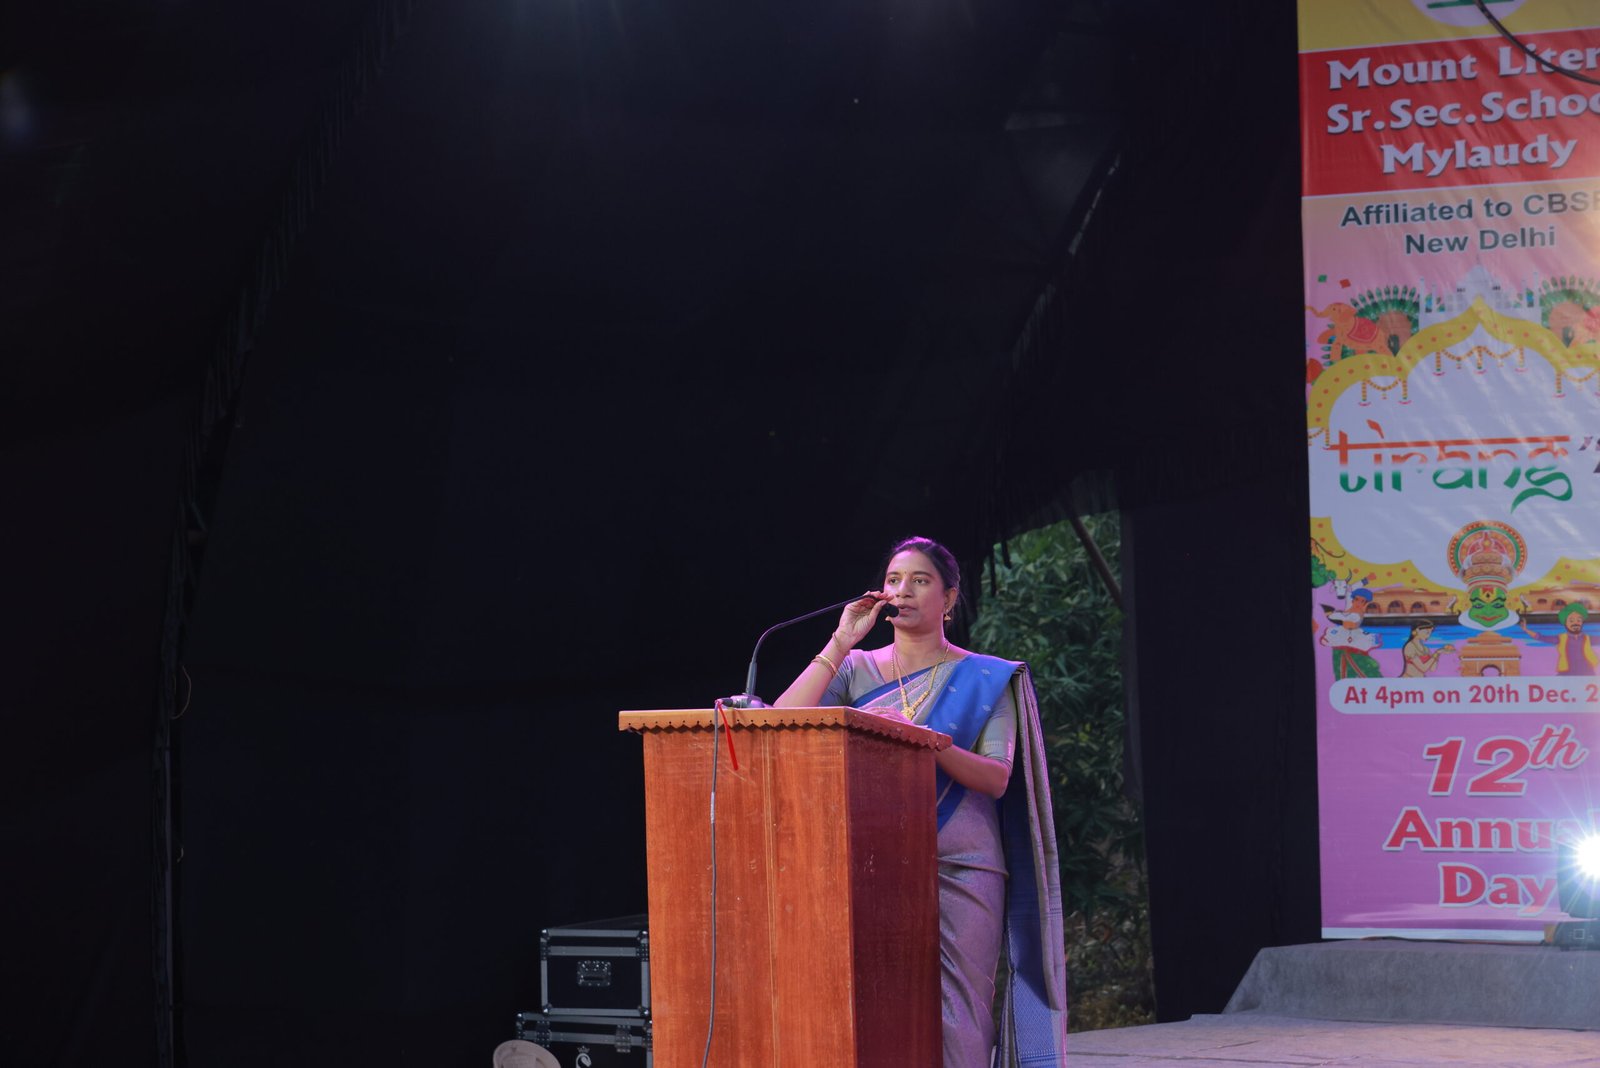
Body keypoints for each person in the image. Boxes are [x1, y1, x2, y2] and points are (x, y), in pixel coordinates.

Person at [775, 535, 1069, 1067]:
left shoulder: (986, 676)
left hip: (963, 864)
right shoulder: (855, 668)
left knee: (958, 1014)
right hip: (872, 861)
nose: (902, 590)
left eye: (920, 580)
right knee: (877, 1007)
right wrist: (840, 641)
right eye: (893, 580)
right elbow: (780, 722)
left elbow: (996, 777)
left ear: (949, 598)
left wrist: (927, 740)